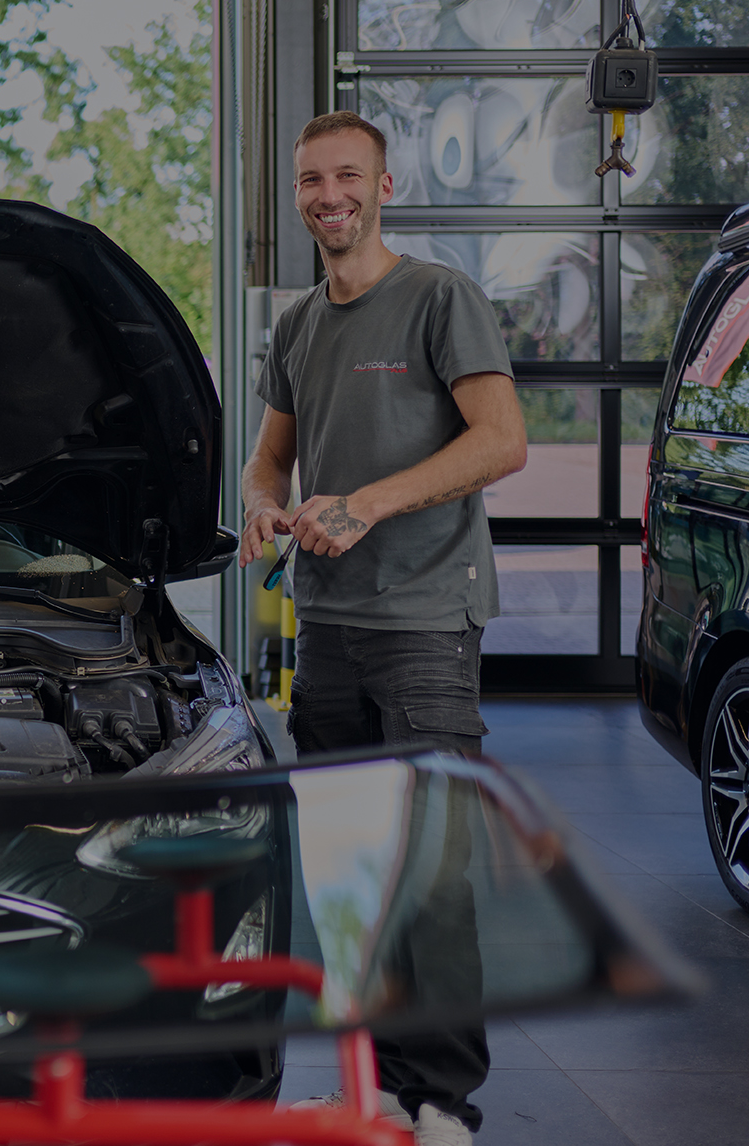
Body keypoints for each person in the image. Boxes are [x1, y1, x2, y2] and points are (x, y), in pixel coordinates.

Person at [238, 111, 527, 1146]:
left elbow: (502, 441)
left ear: (385, 185)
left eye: (347, 175)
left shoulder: (441, 298)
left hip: (422, 626)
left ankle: (441, 1099)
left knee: (431, 872)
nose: (329, 195)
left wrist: (371, 499)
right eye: (313, 179)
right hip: (328, 626)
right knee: (356, 870)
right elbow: (270, 458)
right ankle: (381, 1085)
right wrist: (264, 500)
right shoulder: (301, 325)